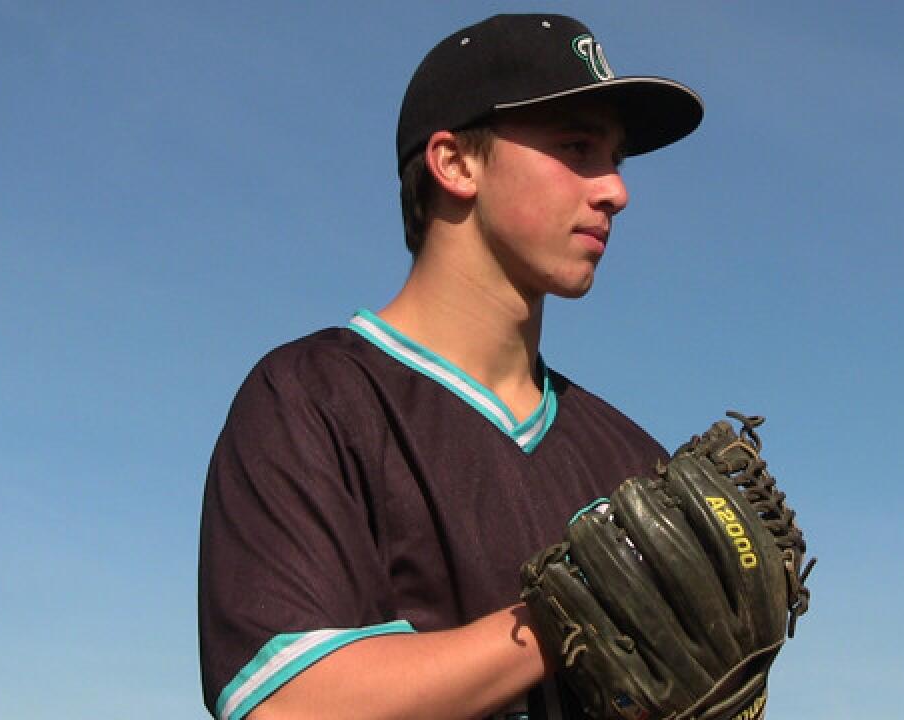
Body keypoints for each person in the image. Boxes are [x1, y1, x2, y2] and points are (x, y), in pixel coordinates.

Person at [198, 13, 703, 720]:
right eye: (578, 146)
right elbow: (289, 704)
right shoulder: (313, 400)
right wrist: (578, 608)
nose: (615, 190)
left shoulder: (636, 466)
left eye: (615, 159)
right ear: (456, 162)